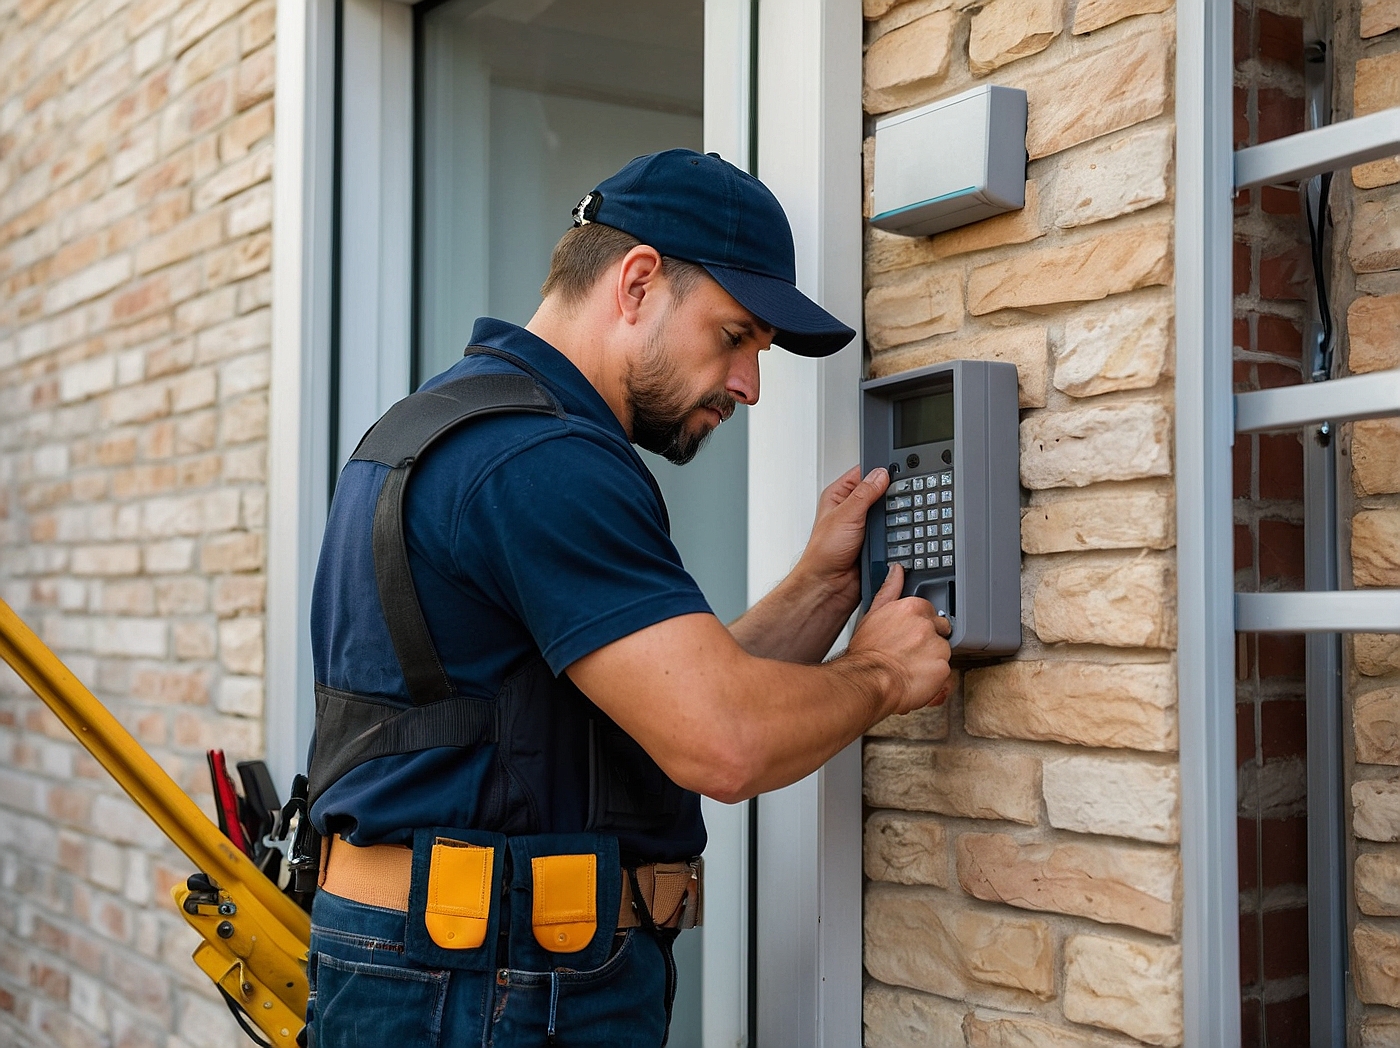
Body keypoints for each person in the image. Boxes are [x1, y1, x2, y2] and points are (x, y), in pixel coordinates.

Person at [304, 149, 952, 1048]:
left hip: (449, 972)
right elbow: (721, 741)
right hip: (494, 986)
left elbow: (663, 697)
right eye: (734, 337)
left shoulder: (446, 425)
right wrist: (882, 673)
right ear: (638, 281)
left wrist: (824, 586)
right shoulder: (542, 460)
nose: (749, 386)